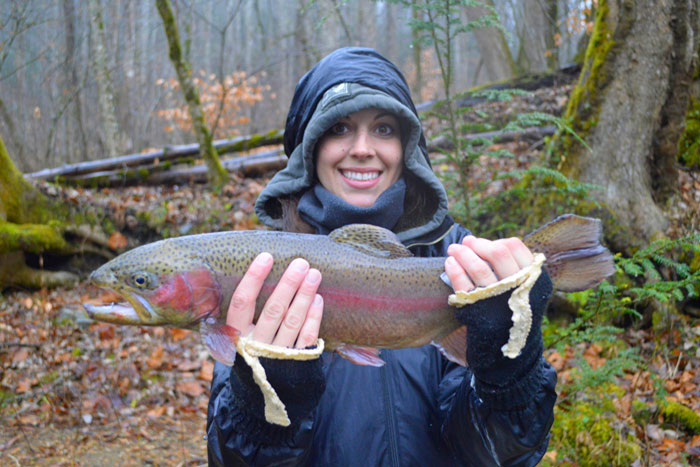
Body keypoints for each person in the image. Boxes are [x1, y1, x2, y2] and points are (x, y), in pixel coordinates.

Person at [207, 47, 557, 466]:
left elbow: (497, 456)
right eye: (339, 128)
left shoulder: (464, 264)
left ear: (407, 148)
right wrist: (262, 415)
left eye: (384, 129)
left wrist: (509, 379)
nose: (362, 149)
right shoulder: (262, 270)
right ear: (311, 148)